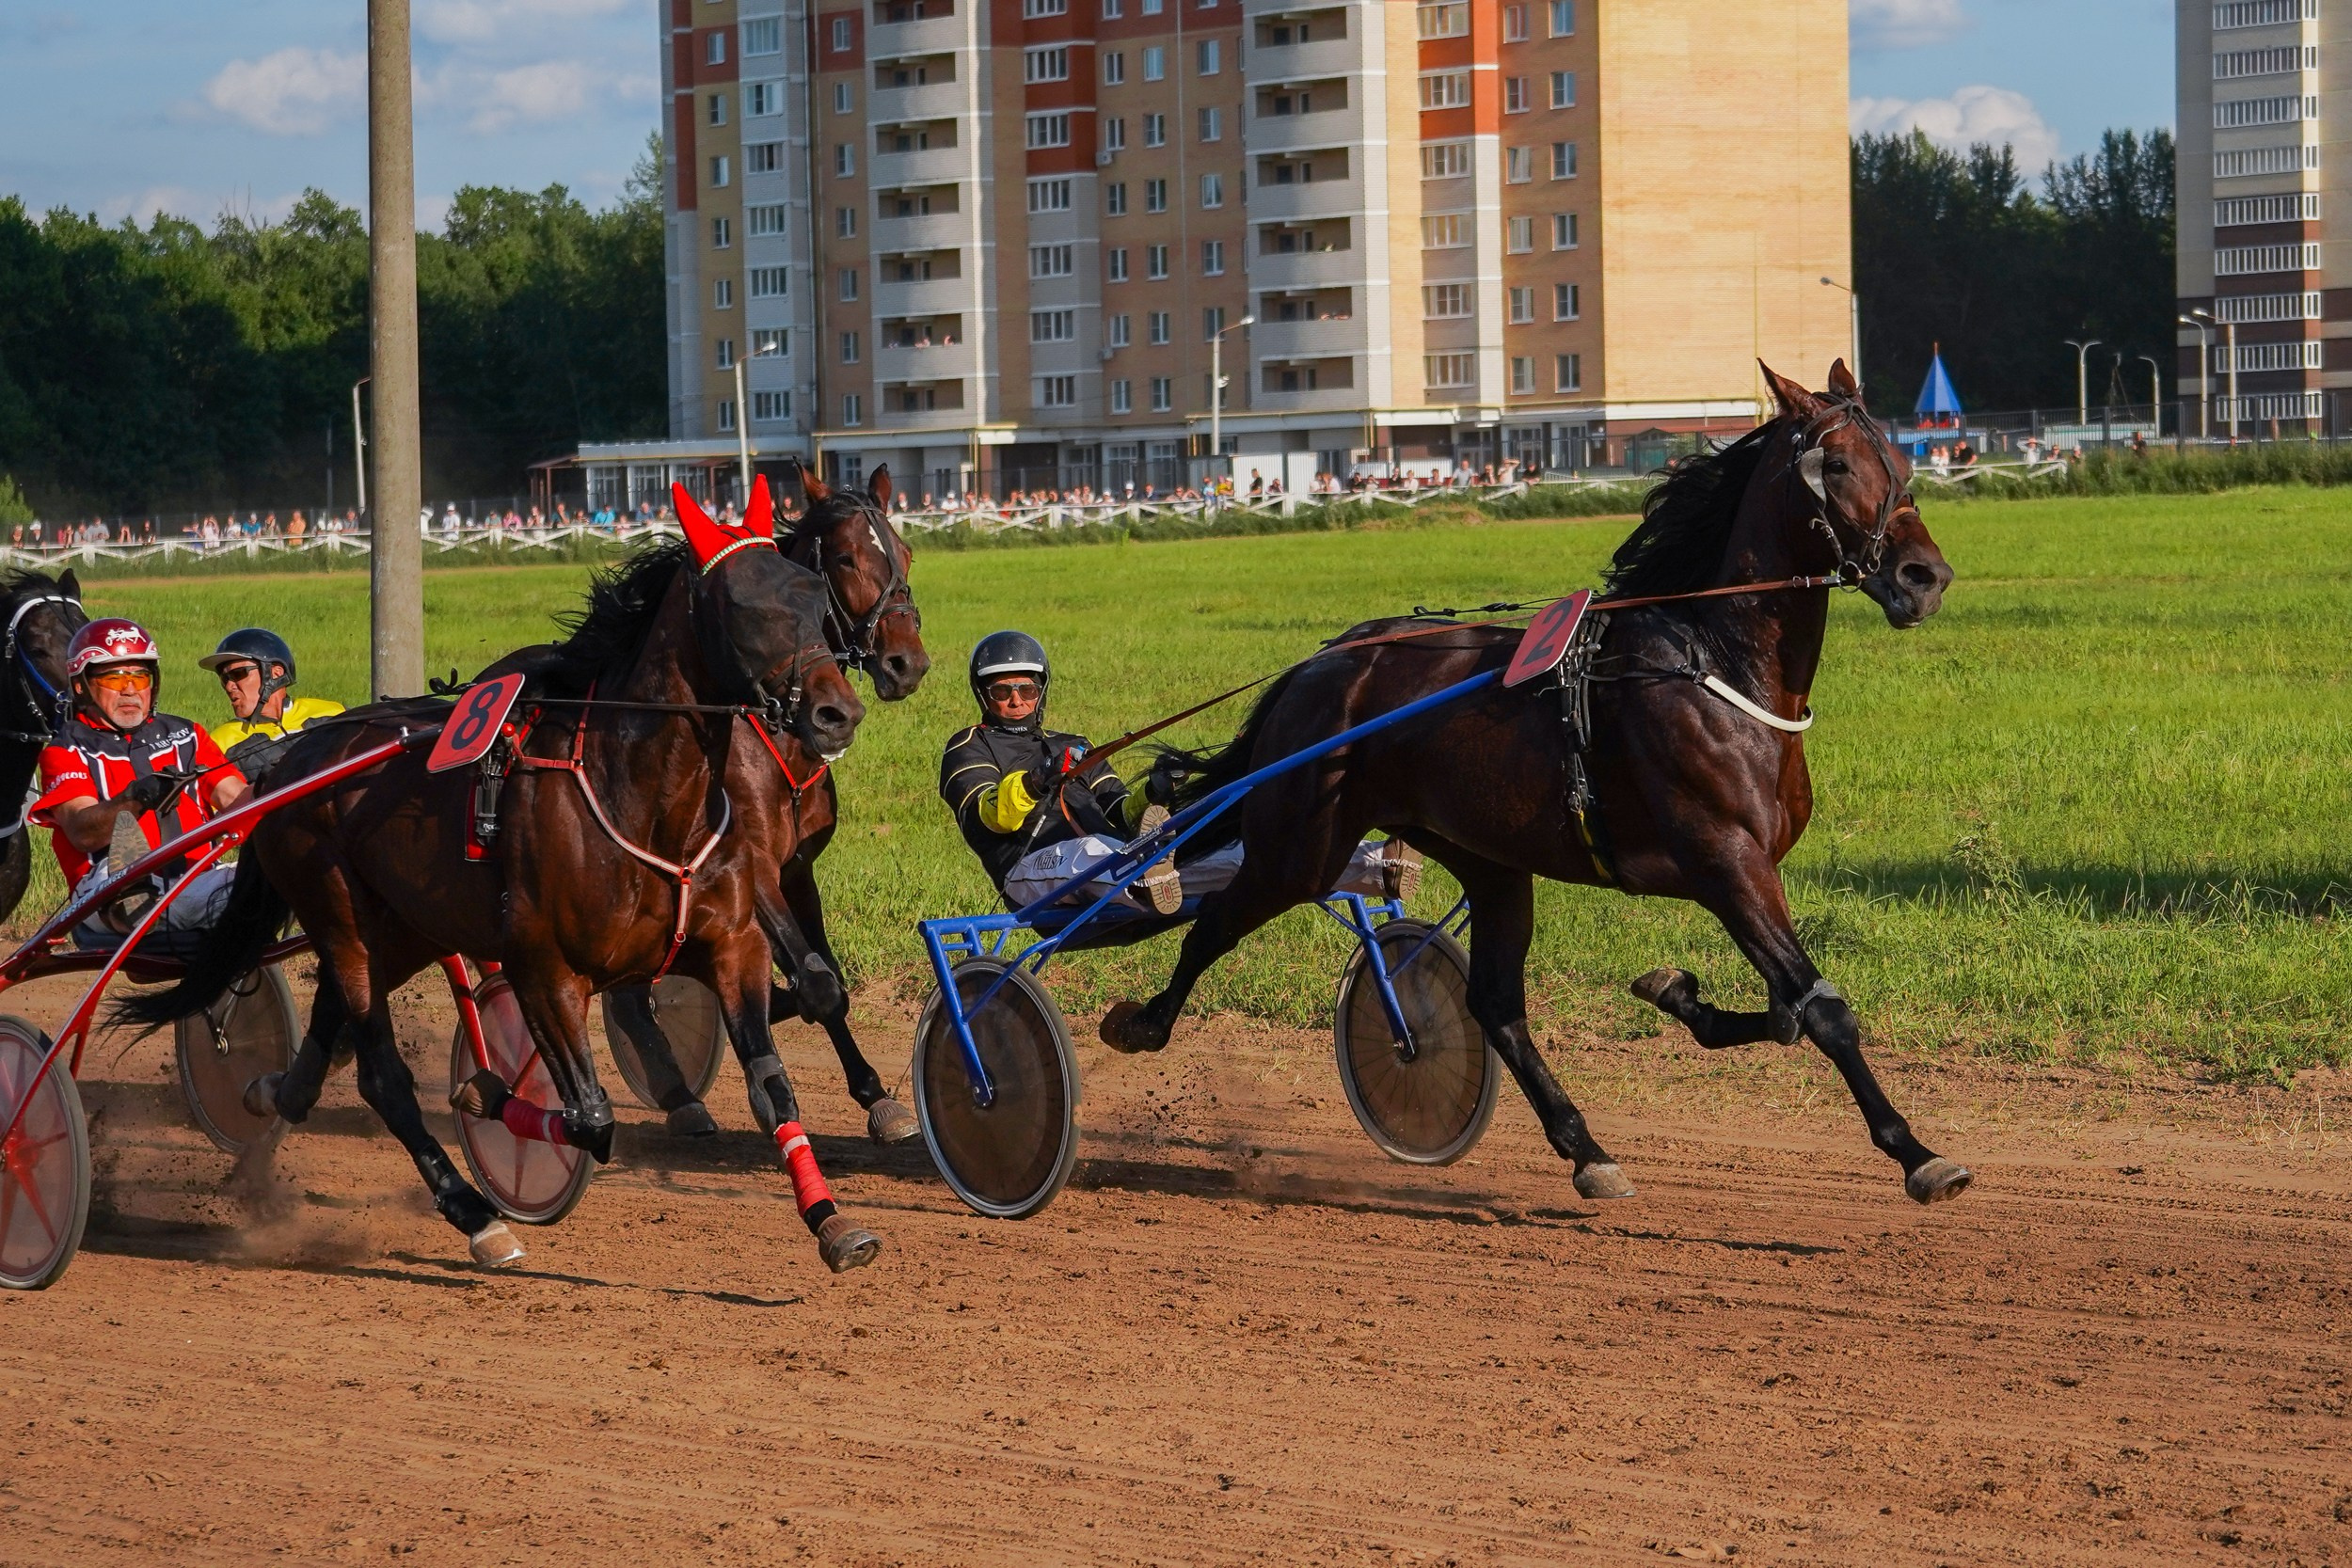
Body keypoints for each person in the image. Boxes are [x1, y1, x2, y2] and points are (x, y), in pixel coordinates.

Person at [939, 631, 1419, 917]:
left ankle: (1378, 866)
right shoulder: (968, 747)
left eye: (1026, 688)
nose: (1017, 700)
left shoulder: (1074, 746)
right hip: (1031, 876)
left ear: (1041, 690)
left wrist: (1154, 791)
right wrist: (1034, 783)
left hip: (1123, 862)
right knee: (1096, 851)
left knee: (1233, 849)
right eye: (1003, 691)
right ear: (984, 696)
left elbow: (1117, 812)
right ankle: (1145, 876)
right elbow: (990, 817)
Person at [31, 619, 249, 948]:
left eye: (139, 677)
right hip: (102, 889)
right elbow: (81, 831)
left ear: (153, 683)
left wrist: (278, 779)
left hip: (197, 881)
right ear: (81, 686)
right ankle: (133, 901)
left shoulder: (188, 734)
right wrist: (134, 799)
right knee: (122, 879)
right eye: (114, 677)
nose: (130, 689)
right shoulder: (65, 751)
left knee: (277, 877)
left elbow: (238, 800)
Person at [199, 627, 345, 775]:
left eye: (238, 674)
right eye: (224, 679)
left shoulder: (333, 712)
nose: (229, 686)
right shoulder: (219, 742)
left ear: (275, 673)